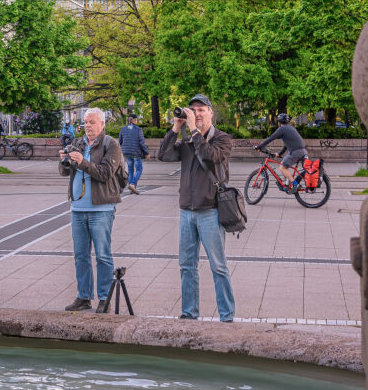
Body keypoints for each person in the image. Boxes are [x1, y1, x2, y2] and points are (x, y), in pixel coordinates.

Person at [157, 94, 235, 322]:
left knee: (218, 267)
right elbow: (163, 155)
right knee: (186, 267)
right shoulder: (188, 139)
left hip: (210, 210)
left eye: (201, 109)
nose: (197, 114)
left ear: (211, 112)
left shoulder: (222, 138)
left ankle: (227, 316)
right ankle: (190, 314)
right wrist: (175, 128)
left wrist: (193, 131)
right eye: (193, 109)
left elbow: (210, 156)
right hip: (186, 211)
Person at [59, 107, 124, 313]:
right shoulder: (78, 143)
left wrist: (83, 162)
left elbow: (105, 173)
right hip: (77, 208)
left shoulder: (110, 144)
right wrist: (64, 160)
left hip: (101, 208)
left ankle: (104, 297)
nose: (87, 125)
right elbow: (64, 172)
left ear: (102, 124)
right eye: (85, 122)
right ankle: (83, 296)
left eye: (92, 122)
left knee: (103, 255)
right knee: (80, 255)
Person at [254, 113, 307, 188]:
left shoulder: (282, 129)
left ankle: (296, 185)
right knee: (284, 162)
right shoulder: (291, 128)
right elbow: (286, 144)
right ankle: (286, 184)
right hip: (302, 151)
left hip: (296, 152)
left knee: (282, 167)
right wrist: (279, 154)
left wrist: (259, 147)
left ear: (279, 122)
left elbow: (270, 138)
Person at [118, 113, 149, 195]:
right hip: (136, 153)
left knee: (130, 170)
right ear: (135, 120)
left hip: (126, 153)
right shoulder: (138, 129)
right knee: (139, 169)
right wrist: (147, 153)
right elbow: (142, 143)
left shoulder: (123, 129)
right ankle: (132, 184)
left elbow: (120, 142)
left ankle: (132, 188)